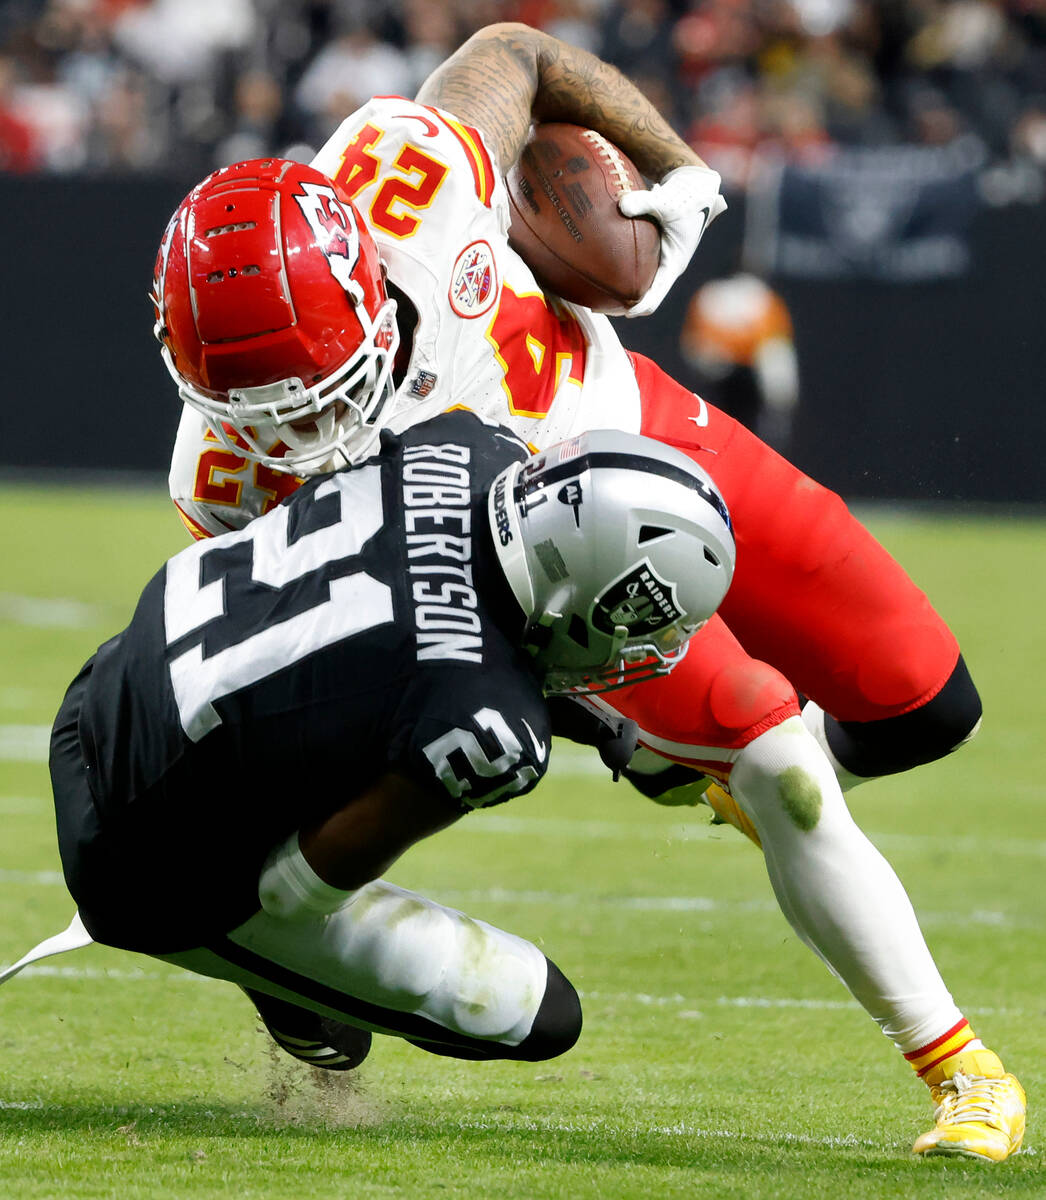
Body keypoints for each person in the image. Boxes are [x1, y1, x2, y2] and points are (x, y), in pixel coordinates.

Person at [154, 24, 1024, 1160]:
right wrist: (575, 700)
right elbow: (346, 646)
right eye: (265, 408)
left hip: (637, 420)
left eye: (317, 388)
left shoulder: (411, 179)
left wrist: (679, 168)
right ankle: (959, 1068)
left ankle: (719, 777)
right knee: (780, 766)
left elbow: (512, 49)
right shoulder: (224, 476)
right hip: (537, 581)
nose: (302, 430)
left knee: (925, 702)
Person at [44, 413, 736, 1067]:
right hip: (132, 851)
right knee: (538, 1013)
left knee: (355, 715)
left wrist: (552, 703)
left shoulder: (468, 445)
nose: (653, 646)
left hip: (107, 686)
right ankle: (274, 979)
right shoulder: (492, 725)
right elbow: (298, 889)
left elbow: (416, 612)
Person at [679, 271, 799, 452]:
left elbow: (693, 347)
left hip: (739, 384)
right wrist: (780, 399)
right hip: (723, 384)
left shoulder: (713, 295)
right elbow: (776, 354)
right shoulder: (760, 298)